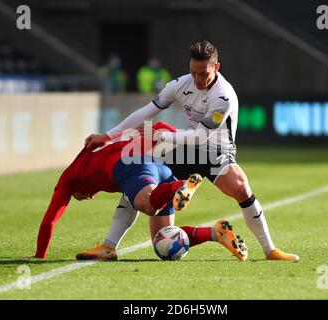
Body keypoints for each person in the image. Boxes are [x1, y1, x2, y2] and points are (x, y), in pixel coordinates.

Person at [84, 40, 299, 262]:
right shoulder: (179, 84)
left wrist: (158, 136)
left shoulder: (223, 97)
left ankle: (270, 250)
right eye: (193, 71)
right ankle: (110, 246)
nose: (197, 79)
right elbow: (147, 111)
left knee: (242, 189)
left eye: (203, 73)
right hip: (187, 149)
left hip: (217, 150)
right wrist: (108, 136)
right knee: (144, 191)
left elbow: (202, 136)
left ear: (216, 67)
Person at [29, 121, 247, 261]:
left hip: (132, 168)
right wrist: (177, 138)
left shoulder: (68, 179)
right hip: (156, 167)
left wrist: (40, 255)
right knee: (164, 239)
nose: (90, 197)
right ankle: (214, 233)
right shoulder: (96, 148)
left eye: (83, 197)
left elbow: (49, 221)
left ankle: (178, 187)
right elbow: (158, 125)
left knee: (149, 205)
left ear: (75, 192)